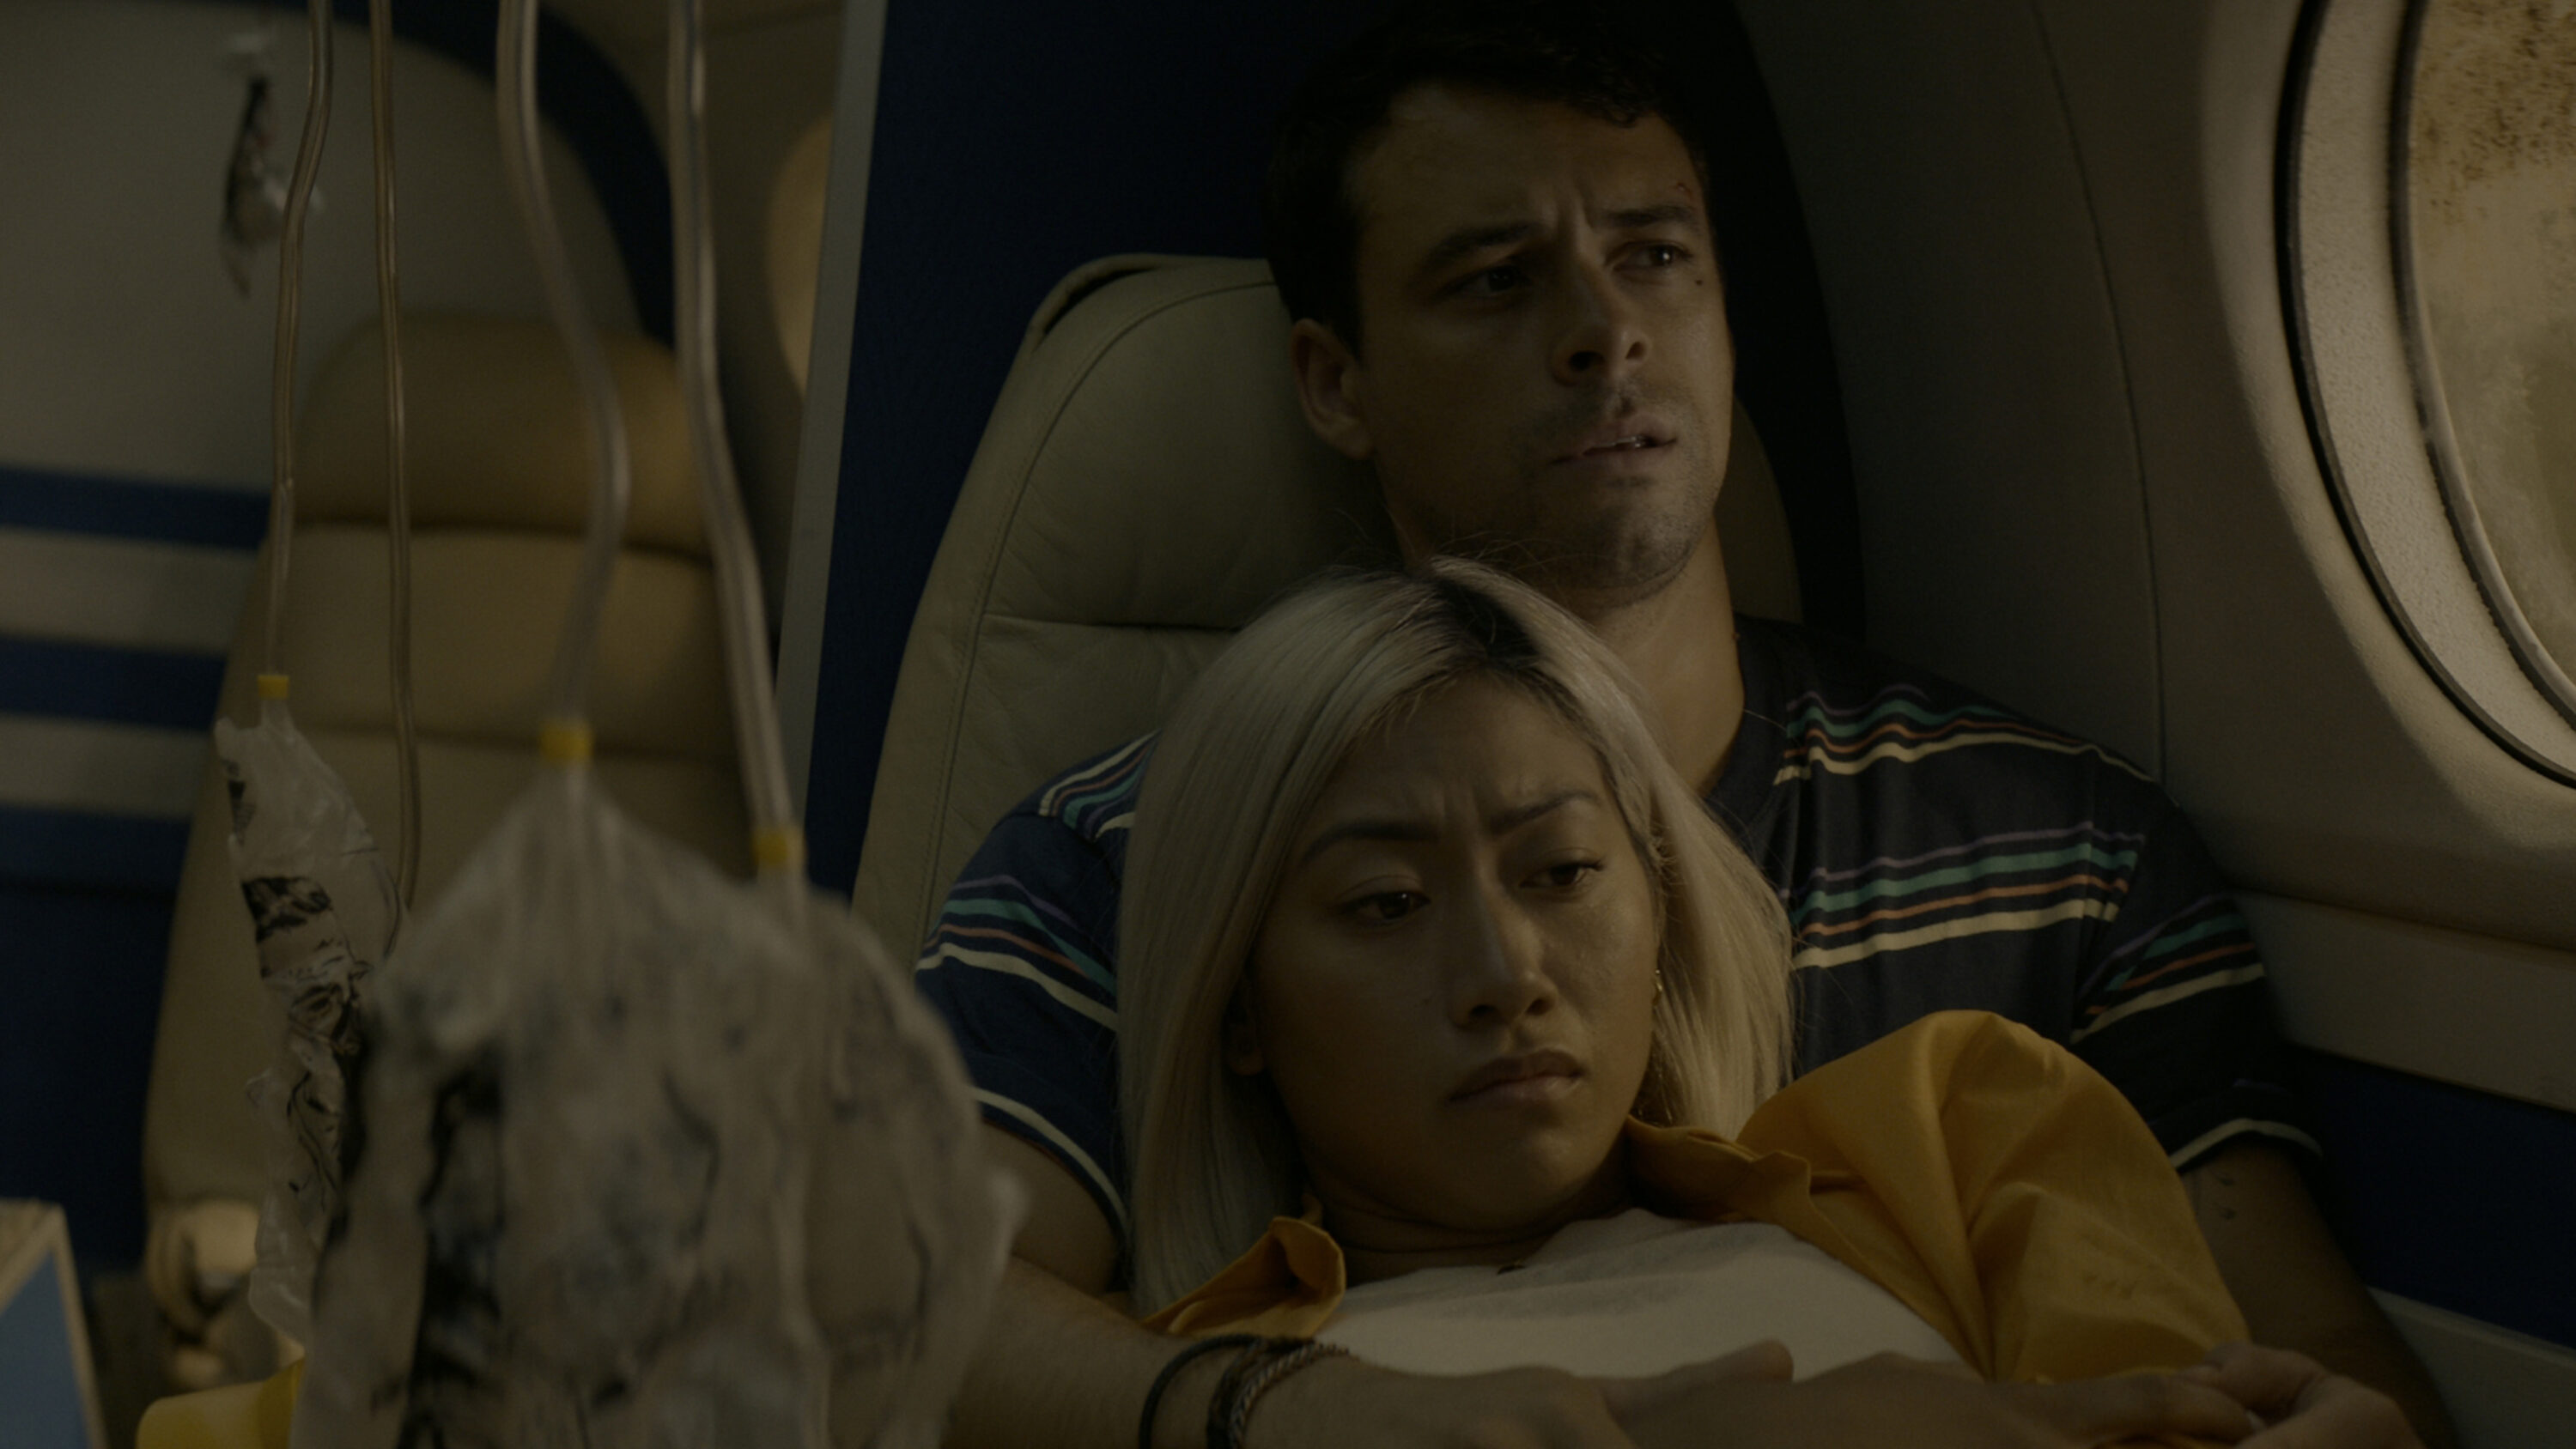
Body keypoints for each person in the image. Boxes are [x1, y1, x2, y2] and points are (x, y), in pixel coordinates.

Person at [914, 4, 2453, 1444]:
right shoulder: (1130, 866)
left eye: (1654, 256)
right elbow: (909, 1312)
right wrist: (1309, 1417)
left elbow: (2304, 1348)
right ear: (1335, 382)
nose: (1605, 331)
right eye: (1495, 279)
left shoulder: (2064, 860)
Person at [1112, 561, 2415, 1449]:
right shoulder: (1197, 1398)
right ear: (1239, 1009)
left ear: (1660, 911)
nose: (1506, 975)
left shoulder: (1953, 1140)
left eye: (1562, 872)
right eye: (1387, 903)